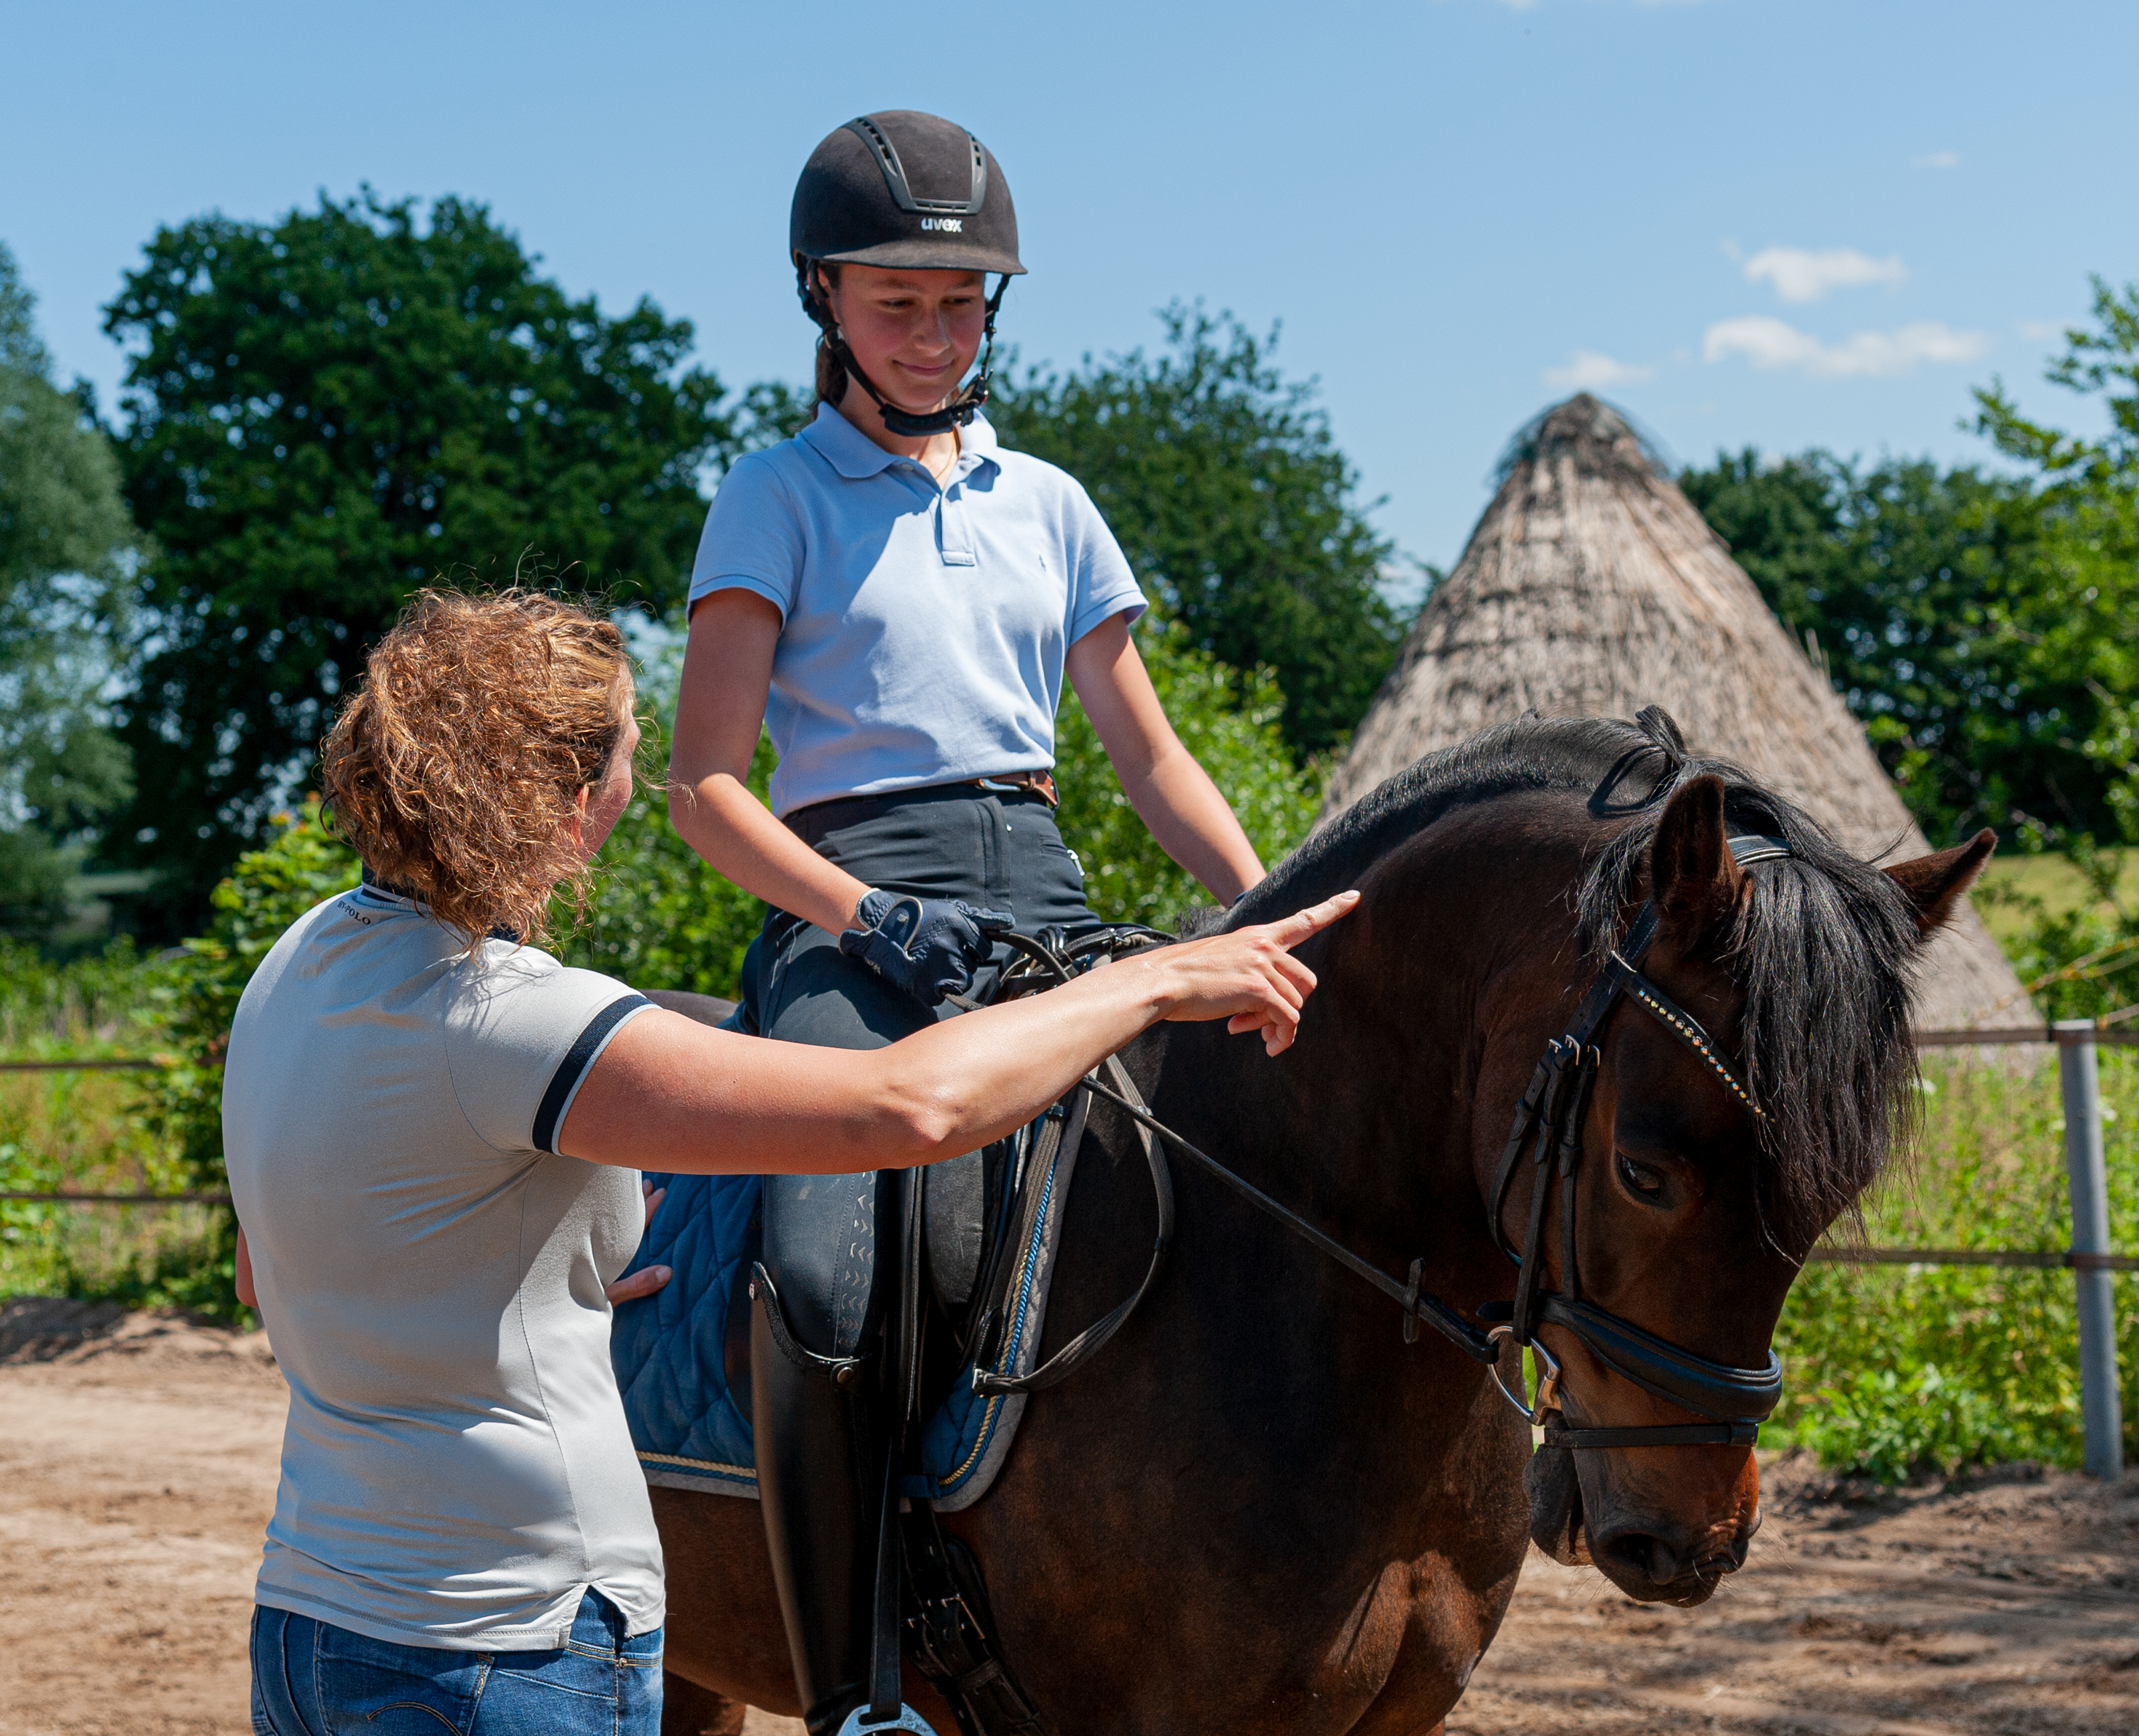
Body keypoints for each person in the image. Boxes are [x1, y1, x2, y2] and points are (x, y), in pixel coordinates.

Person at [226, 586, 1351, 1736]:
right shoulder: (512, 1020)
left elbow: (270, 1275)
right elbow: (909, 1107)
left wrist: (518, 1285)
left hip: (314, 1625)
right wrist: (1152, 981)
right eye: (628, 758)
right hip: (508, 1647)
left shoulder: (297, 965)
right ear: (574, 807)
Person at [665, 111, 1278, 1734]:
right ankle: (860, 1681)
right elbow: (707, 788)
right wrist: (868, 912)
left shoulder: (1054, 503)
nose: (936, 338)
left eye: (964, 305)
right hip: (853, 904)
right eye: (897, 305)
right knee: (821, 1262)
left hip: (1046, 896)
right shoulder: (774, 496)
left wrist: (1267, 914)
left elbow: (1144, 750)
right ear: (824, 300)